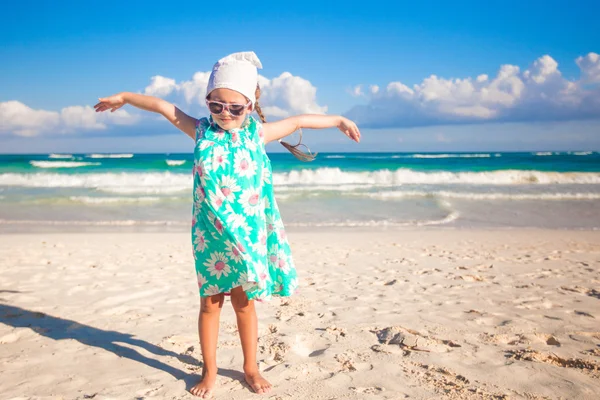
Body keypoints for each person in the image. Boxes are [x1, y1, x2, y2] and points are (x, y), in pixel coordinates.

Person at [94, 51, 361, 398]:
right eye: (216, 105)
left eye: (235, 108)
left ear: (250, 105)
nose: (225, 114)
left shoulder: (257, 134)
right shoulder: (201, 131)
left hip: (246, 236)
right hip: (209, 237)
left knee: (244, 303)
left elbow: (298, 121)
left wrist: (338, 119)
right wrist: (126, 98)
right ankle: (210, 370)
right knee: (210, 303)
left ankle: (251, 367)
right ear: (208, 102)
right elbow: (162, 106)